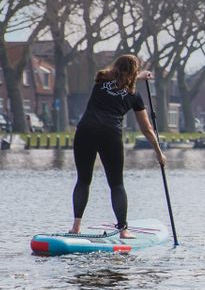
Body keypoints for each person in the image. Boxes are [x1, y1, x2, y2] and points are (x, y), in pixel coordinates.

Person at [69, 54, 166, 238]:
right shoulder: (134, 96)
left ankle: (75, 227)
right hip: (110, 135)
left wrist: (137, 75)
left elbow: (115, 75)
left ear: (116, 68)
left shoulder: (100, 81)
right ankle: (123, 230)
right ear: (134, 72)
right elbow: (146, 128)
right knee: (116, 184)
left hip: (85, 132)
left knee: (83, 180)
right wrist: (159, 152)